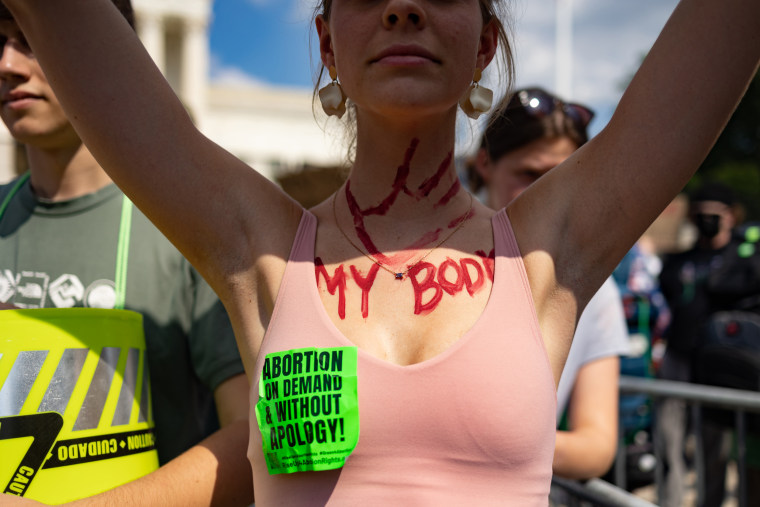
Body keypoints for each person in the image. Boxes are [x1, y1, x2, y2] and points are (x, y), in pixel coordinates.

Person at [3, 0, 757, 503]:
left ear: (485, 41)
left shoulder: (546, 252)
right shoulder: (260, 252)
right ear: (328, 41)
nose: (402, 5)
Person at [0, 1, 253, 505]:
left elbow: (255, 435)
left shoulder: (184, 232)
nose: (8, 65)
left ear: (110, 54)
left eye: (31, 40)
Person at [471, 87, 630, 480]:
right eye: (529, 174)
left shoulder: (593, 288)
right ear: (485, 162)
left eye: (562, 176)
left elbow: (596, 446)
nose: (546, 193)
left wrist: (492, 441)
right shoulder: (422, 264)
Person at [657, 182, 748, 507]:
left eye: (713, 215)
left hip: (719, 367)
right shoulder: (678, 262)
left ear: (730, 216)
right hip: (677, 359)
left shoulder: (742, 260)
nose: (705, 221)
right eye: (699, 215)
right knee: (669, 444)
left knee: (715, 450)